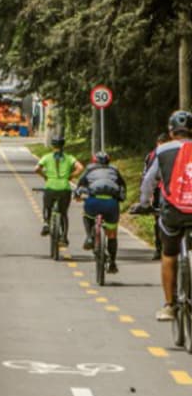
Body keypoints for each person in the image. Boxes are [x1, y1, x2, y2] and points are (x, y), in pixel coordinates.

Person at [137, 110, 192, 321]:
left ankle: (169, 305)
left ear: (171, 132)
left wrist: (143, 204)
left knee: (169, 254)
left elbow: (149, 182)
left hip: (174, 212)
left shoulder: (162, 151)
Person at [75, 151, 126, 273]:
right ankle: (112, 263)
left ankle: (89, 238)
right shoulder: (114, 170)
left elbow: (80, 184)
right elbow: (123, 186)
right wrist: (121, 198)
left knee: (86, 215)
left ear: (94, 161)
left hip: (93, 202)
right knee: (112, 234)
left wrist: (77, 195)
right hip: (111, 204)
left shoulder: (89, 169)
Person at [35, 137, 84, 245]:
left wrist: (45, 176)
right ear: (63, 146)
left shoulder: (46, 157)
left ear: (53, 146)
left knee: (47, 206)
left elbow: (36, 169)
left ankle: (46, 224)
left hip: (50, 187)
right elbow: (80, 167)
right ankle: (64, 237)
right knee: (63, 213)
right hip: (64, 188)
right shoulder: (69, 158)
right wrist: (70, 176)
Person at [141, 133, 171, 261]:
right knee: (158, 219)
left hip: (166, 189)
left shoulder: (162, 154)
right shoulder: (152, 156)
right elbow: (147, 175)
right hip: (159, 189)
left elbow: (146, 176)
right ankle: (159, 248)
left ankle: (162, 249)